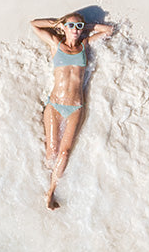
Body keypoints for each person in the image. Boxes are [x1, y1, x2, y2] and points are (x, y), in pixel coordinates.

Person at [31, 12, 113, 209]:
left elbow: (108, 30)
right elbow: (34, 24)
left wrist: (84, 27)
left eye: (78, 27)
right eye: (71, 27)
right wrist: (57, 23)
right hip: (54, 105)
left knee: (65, 153)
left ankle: (50, 192)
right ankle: (40, 181)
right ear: (64, 28)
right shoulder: (55, 44)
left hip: (75, 107)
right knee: (51, 153)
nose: (75, 30)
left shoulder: (85, 45)